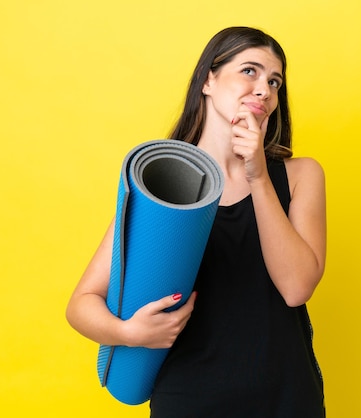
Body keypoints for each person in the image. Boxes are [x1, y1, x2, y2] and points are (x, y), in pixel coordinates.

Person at [66, 26, 327, 417]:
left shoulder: (300, 176)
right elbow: (80, 305)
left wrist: (257, 175)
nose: (265, 90)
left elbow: (296, 288)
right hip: (189, 401)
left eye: (274, 82)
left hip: (286, 399)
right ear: (208, 79)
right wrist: (128, 333)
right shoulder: (163, 182)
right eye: (250, 71)